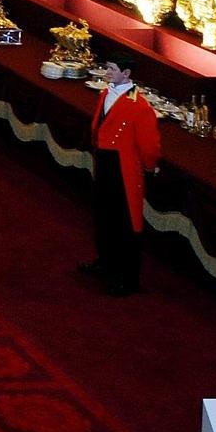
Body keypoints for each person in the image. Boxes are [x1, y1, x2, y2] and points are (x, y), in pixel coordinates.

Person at [81, 61, 162, 295]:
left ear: (126, 73)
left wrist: (149, 166)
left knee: (125, 222)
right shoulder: (107, 93)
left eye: (112, 69)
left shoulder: (140, 106)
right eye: (107, 68)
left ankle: (128, 279)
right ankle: (106, 262)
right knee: (103, 215)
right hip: (105, 162)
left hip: (124, 169)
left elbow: (150, 146)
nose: (107, 73)